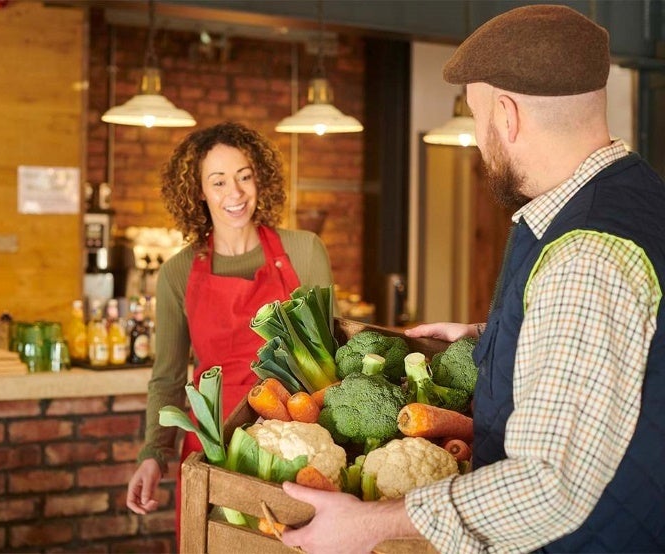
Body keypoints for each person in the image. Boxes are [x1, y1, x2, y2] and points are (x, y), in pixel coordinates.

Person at [281, 5, 665, 553]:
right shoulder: (637, 200)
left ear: (506, 115)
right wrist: (497, 338)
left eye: (479, 118)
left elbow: (548, 486)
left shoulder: (583, 254)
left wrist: (369, 524)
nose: (483, 144)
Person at [125, 122, 335, 541]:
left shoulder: (303, 250)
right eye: (218, 181)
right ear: (199, 192)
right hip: (212, 448)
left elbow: (332, 360)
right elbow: (167, 378)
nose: (235, 194)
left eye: (244, 176)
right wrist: (153, 455)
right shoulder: (178, 272)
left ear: (260, 178)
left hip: (292, 443)